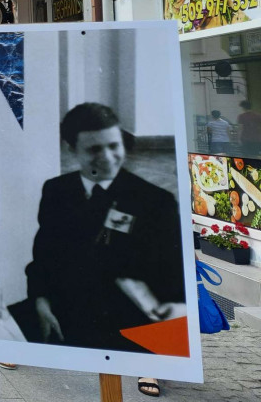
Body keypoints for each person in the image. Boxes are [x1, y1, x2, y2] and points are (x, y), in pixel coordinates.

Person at [25, 103, 185, 351]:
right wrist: (40, 303)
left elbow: (173, 275)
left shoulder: (155, 202)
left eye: (114, 146)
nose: (108, 158)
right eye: (94, 149)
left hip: (126, 325)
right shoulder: (57, 190)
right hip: (62, 313)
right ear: (72, 150)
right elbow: (43, 257)